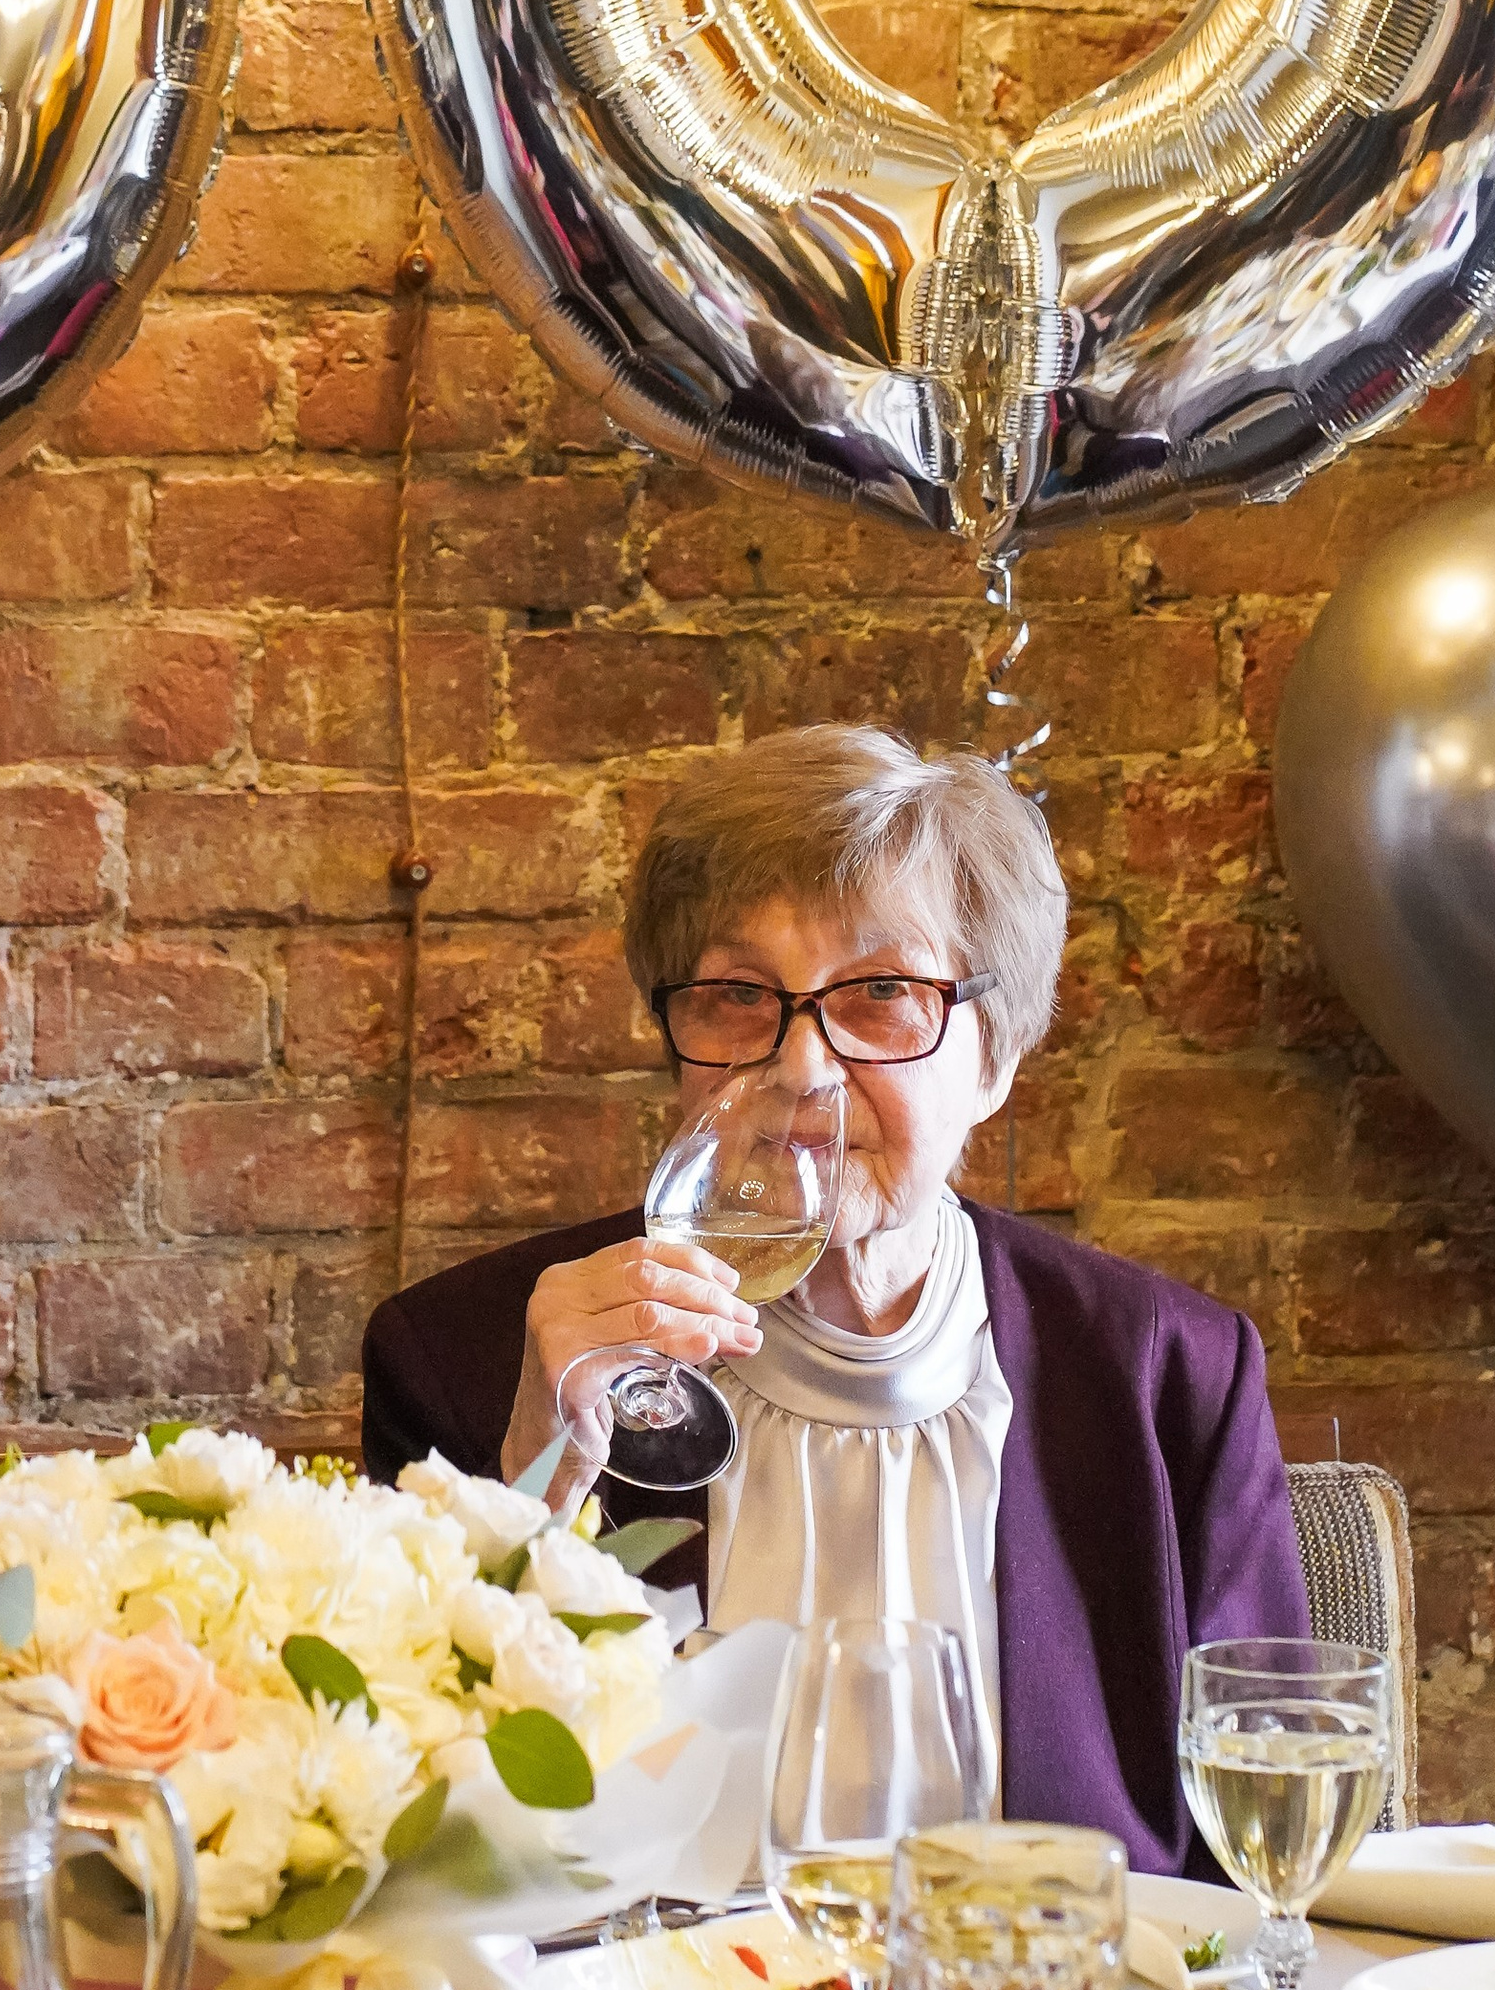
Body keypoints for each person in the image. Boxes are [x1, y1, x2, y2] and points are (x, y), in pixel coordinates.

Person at [361, 723, 1311, 1876]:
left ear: (996, 1057)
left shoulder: (1169, 1376)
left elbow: (1256, 1862)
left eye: (881, 992)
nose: (801, 1068)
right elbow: (407, 1856)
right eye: (734, 994)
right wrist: (530, 1495)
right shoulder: (465, 1357)